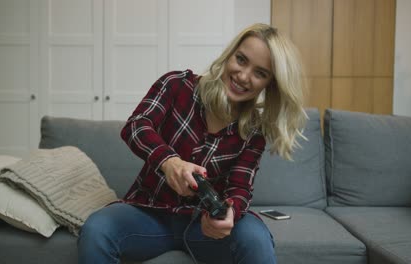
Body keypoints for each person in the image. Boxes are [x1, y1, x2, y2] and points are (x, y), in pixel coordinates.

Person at [78, 23, 307, 264]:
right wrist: (169, 162)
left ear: (268, 84)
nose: (243, 76)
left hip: (205, 228)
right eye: (241, 60)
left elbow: (240, 188)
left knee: (255, 237)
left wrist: (230, 212)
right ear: (230, 55)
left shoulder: (254, 130)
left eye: (260, 73)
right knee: (97, 229)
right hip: (149, 216)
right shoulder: (177, 85)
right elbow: (137, 126)